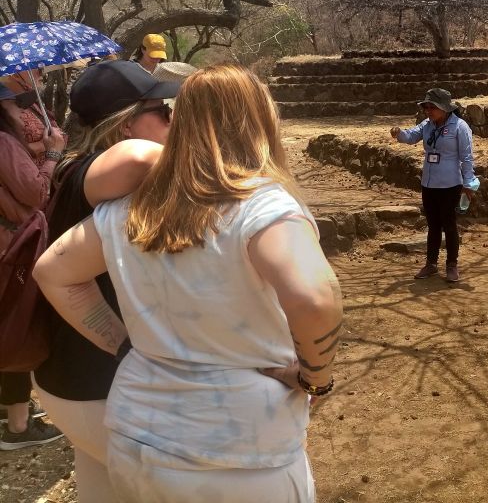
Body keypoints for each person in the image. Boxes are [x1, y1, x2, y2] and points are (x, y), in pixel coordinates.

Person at [35, 63, 343, 502]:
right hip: (238, 449)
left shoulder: (130, 207)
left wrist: (124, 345)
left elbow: (54, 273)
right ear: (261, 118)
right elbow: (315, 298)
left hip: (136, 431)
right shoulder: (261, 204)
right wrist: (317, 379)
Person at [32, 60, 176, 502]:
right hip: (94, 385)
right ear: (127, 123)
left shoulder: (74, 169)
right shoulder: (100, 169)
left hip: (73, 380)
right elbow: (138, 157)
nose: (173, 121)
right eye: (164, 112)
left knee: (103, 489)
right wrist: (123, 346)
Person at [0, 83, 65, 450]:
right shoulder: (4, 142)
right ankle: (19, 426)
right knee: (18, 322)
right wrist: (54, 153)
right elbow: (36, 192)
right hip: (14, 249)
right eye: (9, 103)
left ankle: (8, 409)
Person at [390, 88, 479, 283]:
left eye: (433, 107)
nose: (428, 111)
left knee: (449, 224)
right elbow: (411, 136)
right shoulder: (427, 125)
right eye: (426, 107)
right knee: (433, 225)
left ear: (445, 108)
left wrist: (469, 183)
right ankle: (431, 264)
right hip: (429, 183)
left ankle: (452, 265)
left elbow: (466, 157)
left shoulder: (460, 127)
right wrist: (399, 133)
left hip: (450, 184)